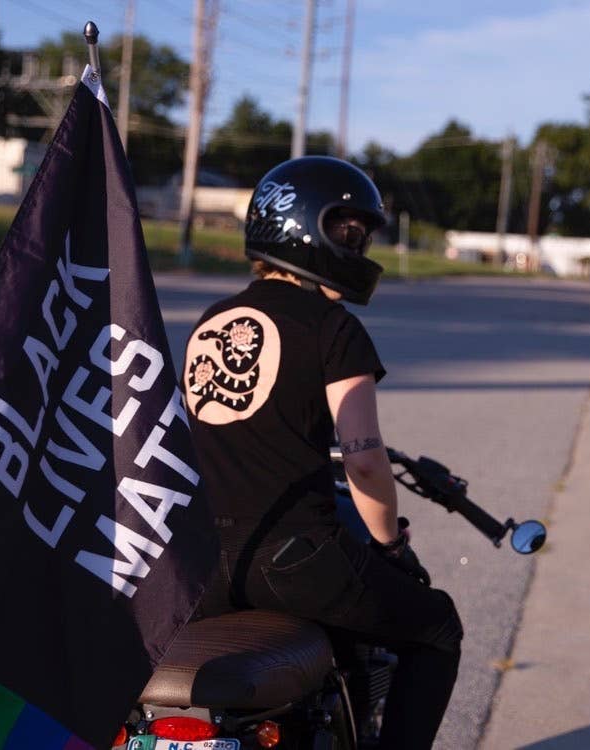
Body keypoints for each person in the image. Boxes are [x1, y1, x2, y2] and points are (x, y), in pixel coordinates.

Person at [181, 156, 463, 749]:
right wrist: (389, 545)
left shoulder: (211, 320)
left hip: (198, 561)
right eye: (347, 232)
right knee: (437, 627)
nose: (357, 248)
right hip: (294, 559)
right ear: (305, 229)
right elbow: (363, 458)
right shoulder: (333, 328)